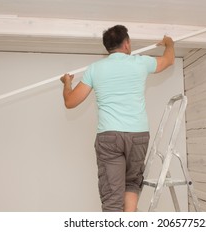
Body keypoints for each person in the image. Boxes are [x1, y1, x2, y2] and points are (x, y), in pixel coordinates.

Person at [60, 25, 174, 212]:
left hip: (109, 137)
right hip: (138, 135)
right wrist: (169, 43)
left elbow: (70, 102)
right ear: (127, 44)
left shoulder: (95, 69)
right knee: (131, 183)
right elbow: (169, 60)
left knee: (112, 197)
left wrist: (67, 83)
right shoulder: (140, 62)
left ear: (108, 47)